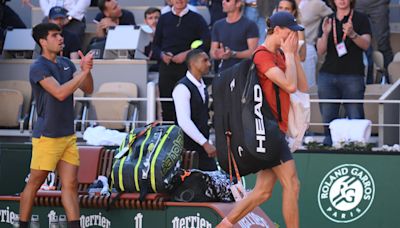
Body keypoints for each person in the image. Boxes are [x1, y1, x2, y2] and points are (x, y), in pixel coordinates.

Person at [217, 11, 307, 228]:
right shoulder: (262, 55)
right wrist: (289, 54)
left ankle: (223, 226)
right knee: (292, 184)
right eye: (290, 31)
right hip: (268, 131)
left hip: (276, 130)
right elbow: (290, 85)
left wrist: (293, 56)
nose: (293, 36)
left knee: (262, 192)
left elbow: (303, 88)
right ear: (277, 31)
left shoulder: (282, 55)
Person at [18, 22, 94, 228]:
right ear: (43, 42)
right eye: (54, 35)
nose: (60, 38)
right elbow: (60, 93)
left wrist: (85, 70)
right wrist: (81, 74)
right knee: (35, 183)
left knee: (70, 184)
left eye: (60, 35)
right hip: (47, 136)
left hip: (67, 135)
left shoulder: (66, 63)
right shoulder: (38, 67)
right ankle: (22, 224)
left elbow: (88, 89)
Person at [316, 0, 371, 146]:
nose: (342, 0)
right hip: (327, 74)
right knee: (328, 115)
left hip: (353, 74)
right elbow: (320, 50)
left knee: (355, 114)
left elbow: (366, 44)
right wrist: (326, 34)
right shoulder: (327, 20)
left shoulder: (361, 18)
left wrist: (352, 34)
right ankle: (329, 145)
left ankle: (358, 146)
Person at [152, 0, 210, 122]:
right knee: (167, 105)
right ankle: (169, 136)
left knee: (188, 104)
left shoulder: (197, 19)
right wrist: (162, 55)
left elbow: (206, 42)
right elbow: (155, 46)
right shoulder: (164, 19)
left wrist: (187, 54)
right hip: (166, 69)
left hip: (188, 69)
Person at [172, 49, 217, 171]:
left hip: (202, 147)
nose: (209, 64)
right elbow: (183, 121)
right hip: (187, 150)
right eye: (205, 60)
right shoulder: (182, 88)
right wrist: (205, 143)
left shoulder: (202, 86)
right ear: (193, 63)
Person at [210, 0, 259, 72]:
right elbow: (212, 52)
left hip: (243, 72)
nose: (223, 2)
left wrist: (233, 54)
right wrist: (218, 54)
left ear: (238, 3)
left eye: (227, 0)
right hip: (223, 72)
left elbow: (253, 52)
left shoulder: (250, 25)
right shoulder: (218, 25)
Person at [355, 0, 393, 83]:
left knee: (383, 43)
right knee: (357, 42)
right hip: (357, 4)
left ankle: (389, 80)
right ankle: (364, 79)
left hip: (378, 3)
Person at [297, 0, 332, 87]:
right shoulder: (284, 3)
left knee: (308, 87)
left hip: (307, 47)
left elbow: (333, 17)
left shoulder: (316, 3)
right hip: (284, 48)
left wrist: (321, 35)